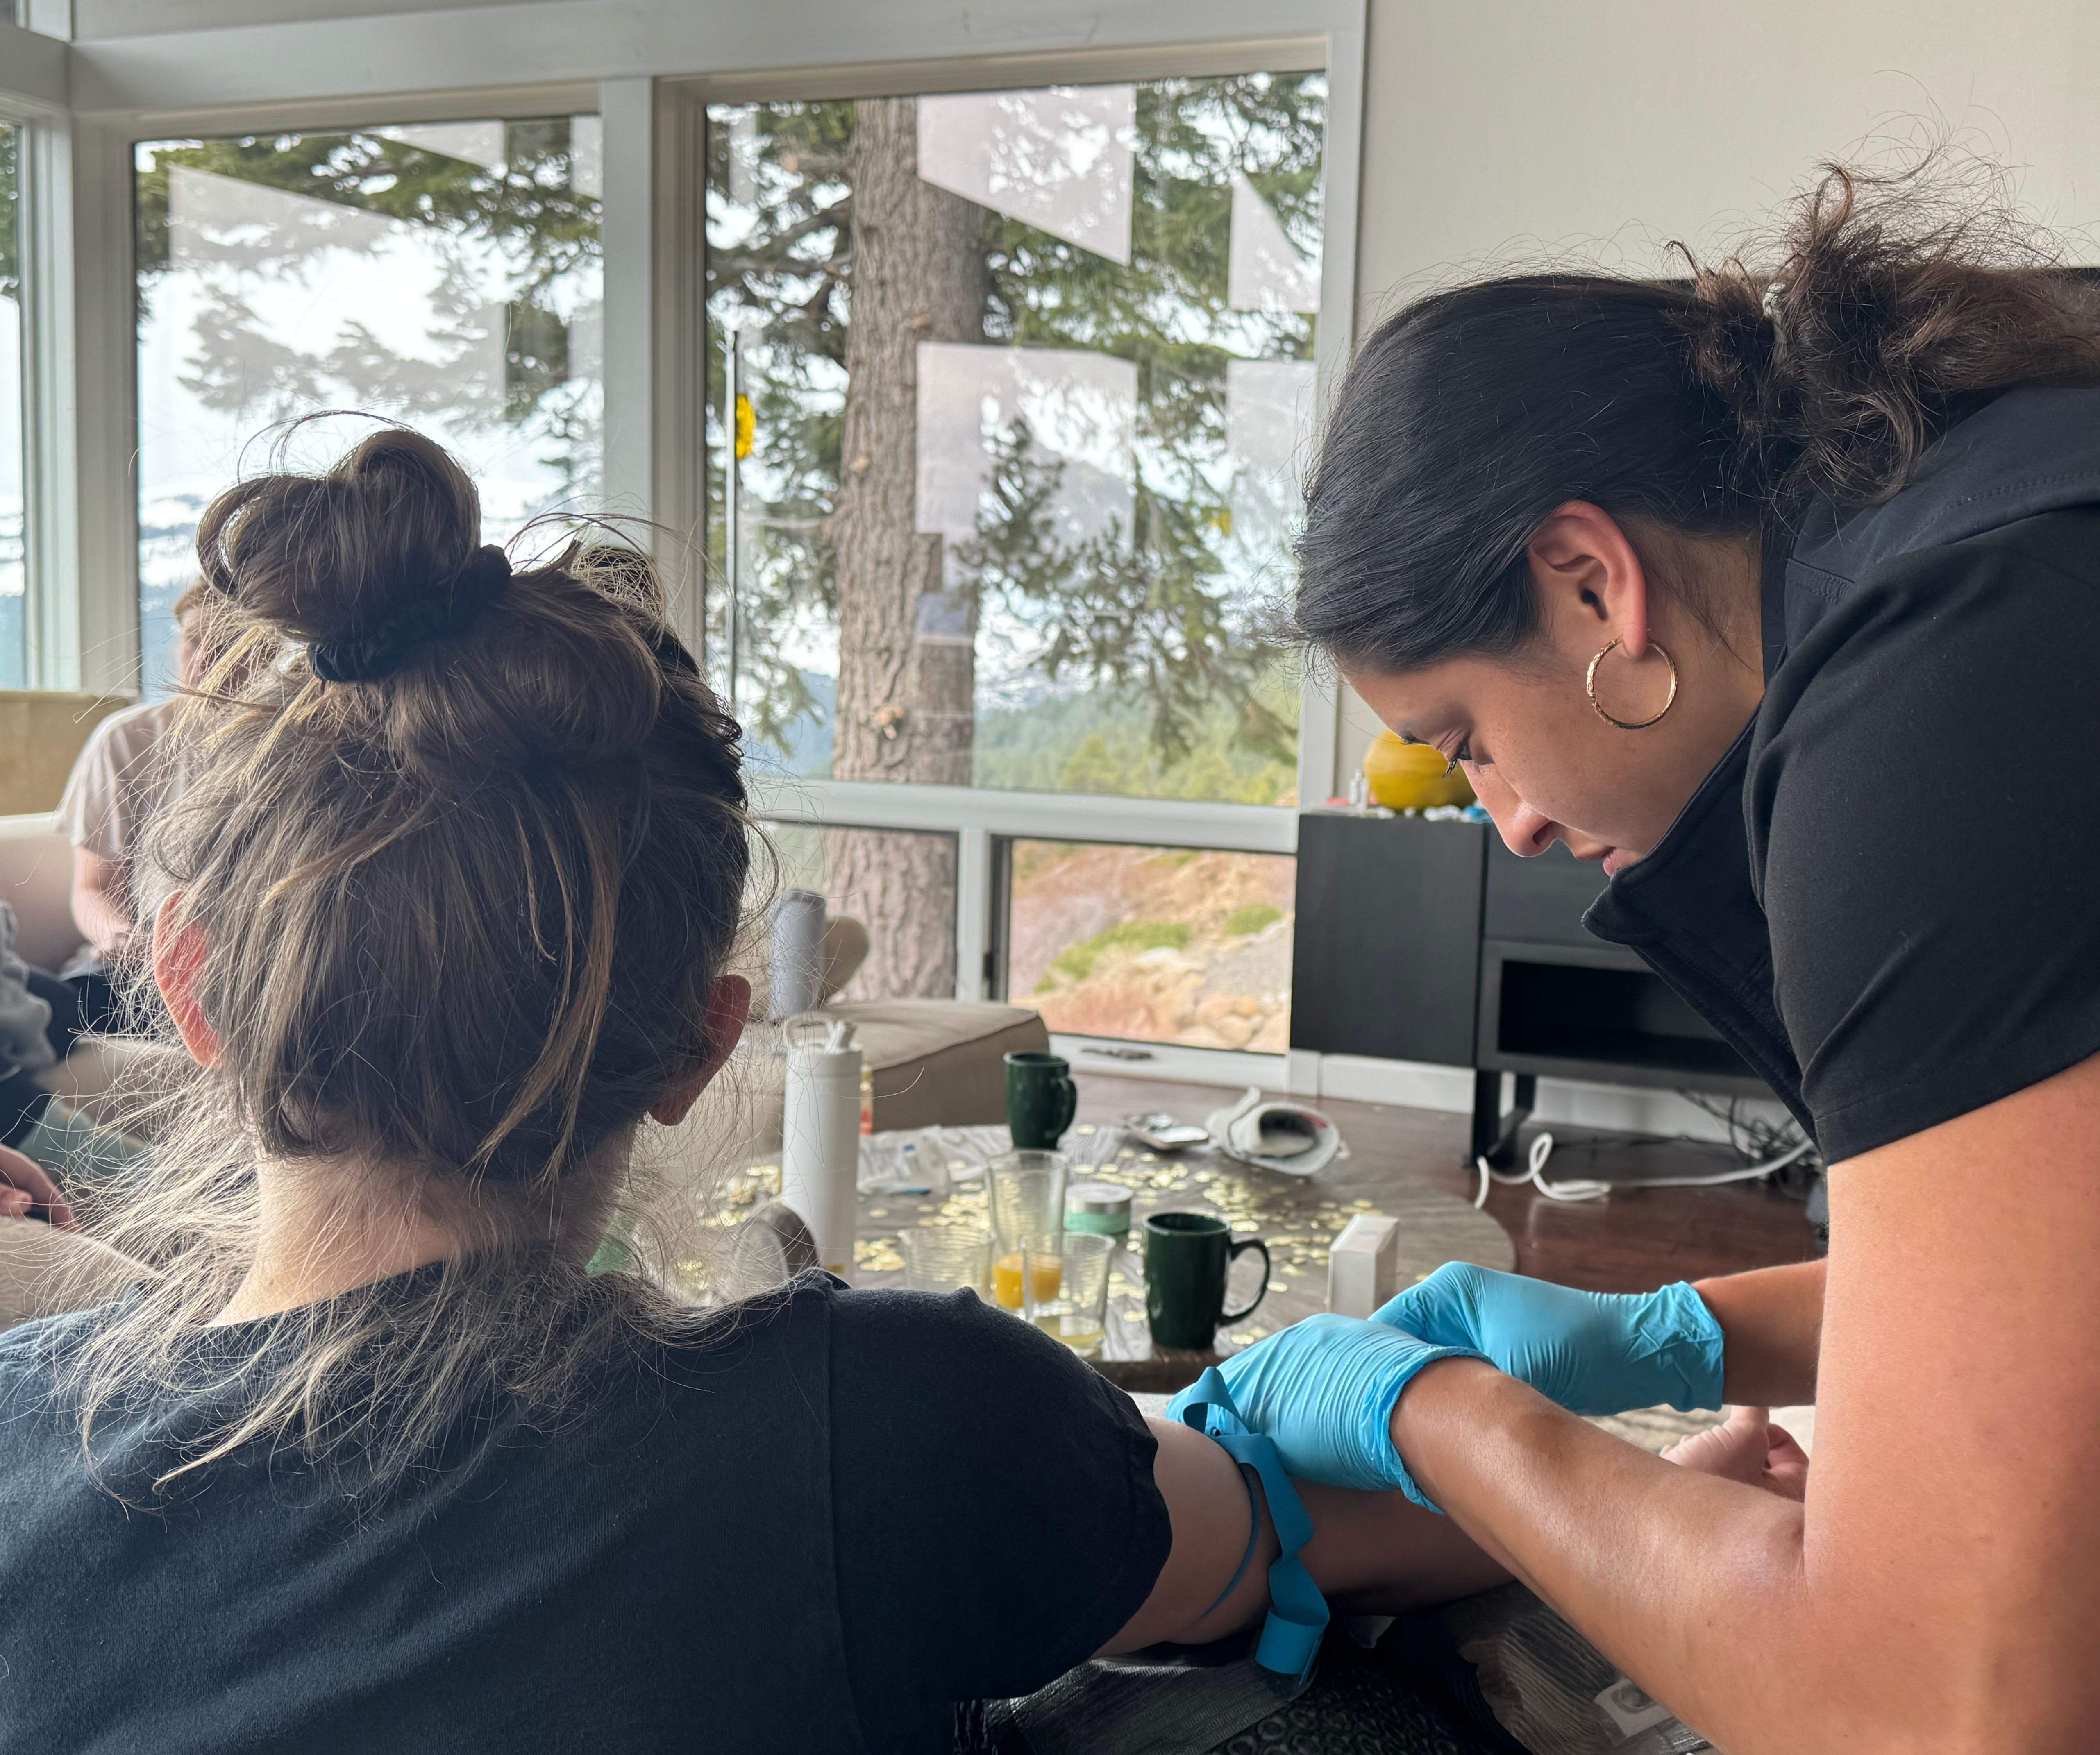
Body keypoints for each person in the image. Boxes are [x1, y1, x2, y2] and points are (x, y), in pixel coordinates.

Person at [0, 430, 1506, 1753]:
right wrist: (1581, 1481)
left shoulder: (20, 1429)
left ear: (190, 986)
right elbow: (1310, 1539)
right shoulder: (896, 1424)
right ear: (701, 1046)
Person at [1172, 160, 2100, 1751]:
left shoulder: (1941, 708)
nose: (1502, 822)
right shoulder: (2037, 510)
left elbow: (1951, 1717)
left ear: (1592, 584)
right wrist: (1690, 1334)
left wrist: (1436, 1421)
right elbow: (2070, 1268)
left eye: (1466, 741)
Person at [50, 578, 222, 1038]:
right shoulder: (128, 740)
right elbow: (91, 889)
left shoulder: (298, 750)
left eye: (228, 646)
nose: (207, 660)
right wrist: (123, 939)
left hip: (241, 977)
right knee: (57, 1013)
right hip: (135, 970)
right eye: (195, 642)